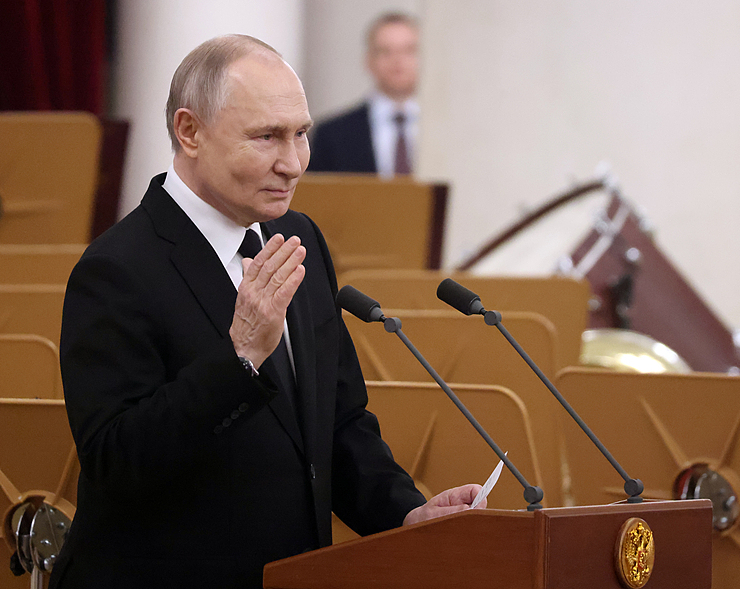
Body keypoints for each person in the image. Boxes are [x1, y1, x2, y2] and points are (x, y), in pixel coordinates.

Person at [51, 34, 482, 589]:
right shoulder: (116, 269)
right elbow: (116, 465)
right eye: (266, 137)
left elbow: (337, 422)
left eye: (301, 133)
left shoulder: (298, 237)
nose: (294, 162)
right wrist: (240, 360)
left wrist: (405, 513)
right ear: (190, 132)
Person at [307, 12, 419, 176]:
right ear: (368, 60)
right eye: (385, 51)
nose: (398, 60)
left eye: (408, 51)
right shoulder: (332, 134)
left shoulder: (446, 130)